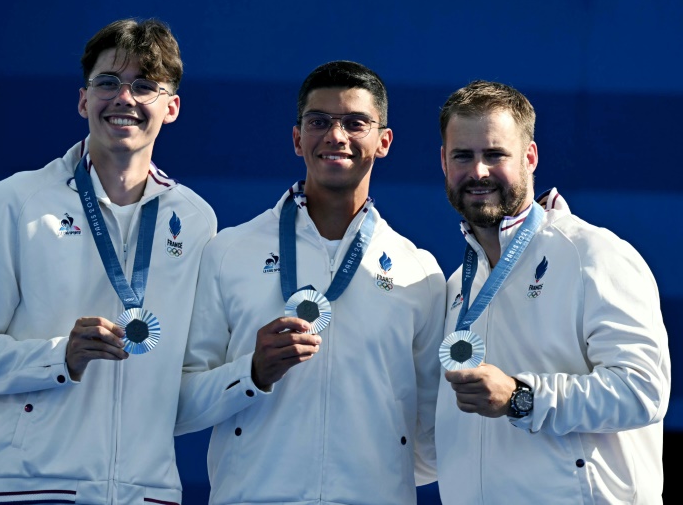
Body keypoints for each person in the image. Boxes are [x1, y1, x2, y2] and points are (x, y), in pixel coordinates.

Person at [0, 18, 216, 505]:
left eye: (144, 86)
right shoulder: (20, 200)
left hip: (146, 493)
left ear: (171, 108)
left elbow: (184, 375)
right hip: (26, 487)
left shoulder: (195, 219)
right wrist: (58, 357)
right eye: (108, 82)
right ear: (84, 100)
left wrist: (254, 374)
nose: (124, 98)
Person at [175, 60, 446, 504]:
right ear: (297, 138)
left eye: (355, 123)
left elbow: (433, 434)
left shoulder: (419, 271)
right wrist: (252, 372)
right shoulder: (228, 252)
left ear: (384, 141)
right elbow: (180, 402)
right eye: (319, 121)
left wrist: (371, 473)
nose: (336, 136)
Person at [435, 79, 670, 504]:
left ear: (530, 157)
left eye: (495, 154)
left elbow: (643, 391)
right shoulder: (457, 285)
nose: (478, 172)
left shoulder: (592, 253)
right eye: (463, 156)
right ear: (443, 163)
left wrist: (522, 397)